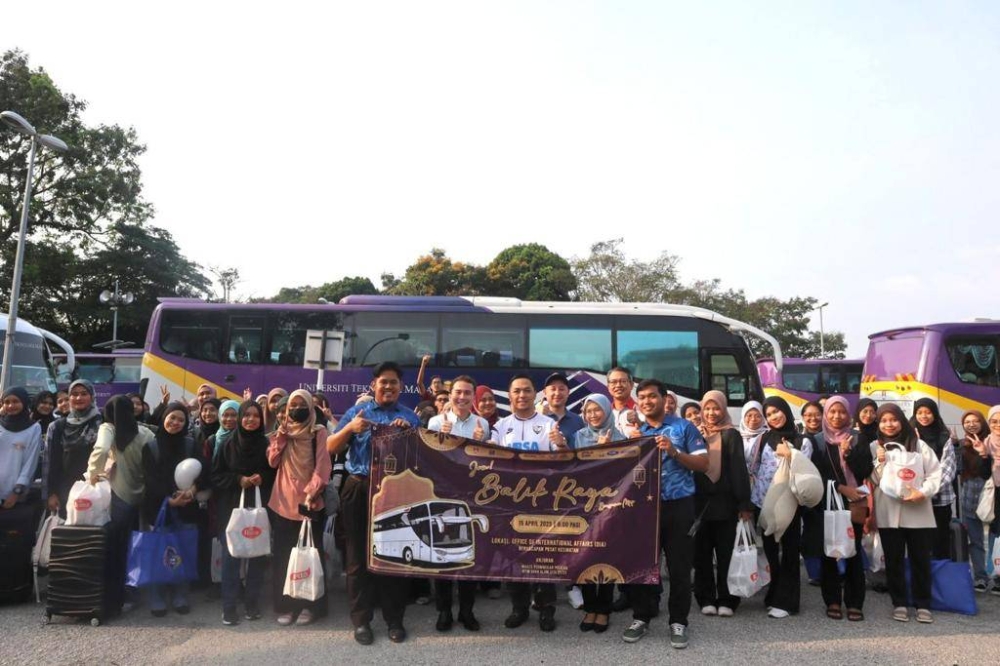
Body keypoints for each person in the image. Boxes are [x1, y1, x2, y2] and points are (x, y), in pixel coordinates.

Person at [328, 362, 420, 645]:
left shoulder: (409, 417)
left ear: (400, 387)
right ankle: (361, 621)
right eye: (383, 382)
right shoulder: (358, 413)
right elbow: (331, 446)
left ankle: (395, 620)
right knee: (356, 558)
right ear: (374, 385)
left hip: (395, 492)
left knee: (393, 557)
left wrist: (407, 435)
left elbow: (421, 457)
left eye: (394, 382)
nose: (388, 387)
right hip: (358, 487)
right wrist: (350, 430)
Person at [623, 379, 707, 648]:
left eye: (652, 396)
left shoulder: (684, 427)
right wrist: (630, 448)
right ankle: (641, 617)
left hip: (679, 506)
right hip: (644, 508)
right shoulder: (637, 431)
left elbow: (703, 463)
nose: (647, 401)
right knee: (642, 565)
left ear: (664, 398)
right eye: (643, 397)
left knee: (679, 567)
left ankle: (678, 621)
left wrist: (674, 451)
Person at [491, 374, 564, 632]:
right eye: (517, 391)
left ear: (536, 395)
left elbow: (564, 462)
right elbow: (491, 462)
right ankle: (519, 608)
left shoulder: (549, 424)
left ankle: (546, 610)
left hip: (542, 501)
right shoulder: (500, 427)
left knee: (544, 556)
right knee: (513, 555)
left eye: (527, 391)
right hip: (509, 503)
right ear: (509, 396)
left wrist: (562, 445)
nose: (522, 395)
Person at [869, 403, 942, 623]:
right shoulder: (875, 446)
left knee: (921, 559)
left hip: (918, 511)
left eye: (893, 419)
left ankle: (923, 604)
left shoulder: (919, 445)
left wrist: (923, 492)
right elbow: (872, 480)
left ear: (901, 420)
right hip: (888, 512)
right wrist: (879, 462)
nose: (889, 424)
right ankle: (899, 602)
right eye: (883, 420)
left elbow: (935, 473)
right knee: (893, 559)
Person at [427, 375, 489, 632]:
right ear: (450, 394)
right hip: (442, 494)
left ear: (473, 396)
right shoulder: (435, 421)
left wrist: (481, 443)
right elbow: (429, 458)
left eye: (467, 393)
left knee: (468, 554)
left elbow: (489, 462)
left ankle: (467, 610)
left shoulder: (482, 423)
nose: (462, 397)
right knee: (442, 553)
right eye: (458, 392)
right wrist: (439, 440)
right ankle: (444, 611)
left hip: (472, 495)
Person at [266, 389, 331, 626]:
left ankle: (311, 606)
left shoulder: (318, 431)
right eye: (292, 405)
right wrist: (281, 436)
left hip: (309, 502)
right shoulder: (282, 432)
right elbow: (272, 461)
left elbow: (323, 466)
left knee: (310, 555)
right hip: (282, 502)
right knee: (284, 556)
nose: (296, 409)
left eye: (301, 404)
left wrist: (312, 492)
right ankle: (286, 606)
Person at [87, 395, 154, 613]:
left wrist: (92, 474)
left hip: (118, 495)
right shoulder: (145, 432)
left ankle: (115, 596)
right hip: (143, 494)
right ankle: (135, 589)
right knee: (138, 542)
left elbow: (101, 450)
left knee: (117, 546)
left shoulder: (109, 428)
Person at [212, 400, 276, 625]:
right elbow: (216, 475)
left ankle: (252, 603)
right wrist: (238, 479)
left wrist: (262, 477)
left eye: (255, 415)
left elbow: (274, 472)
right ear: (240, 418)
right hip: (231, 508)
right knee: (231, 558)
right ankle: (229, 607)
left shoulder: (265, 444)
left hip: (258, 507)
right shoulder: (228, 444)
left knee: (257, 557)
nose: (251, 419)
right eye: (246, 415)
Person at [748, 396, 813, 619]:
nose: (773, 417)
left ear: (785, 410)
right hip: (763, 503)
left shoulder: (802, 440)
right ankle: (773, 594)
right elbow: (753, 468)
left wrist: (791, 454)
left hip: (790, 504)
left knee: (790, 552)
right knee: (770, 551)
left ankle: (788, 602)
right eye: (769, 414)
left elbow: (805, 473)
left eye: (777, 411)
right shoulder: (763, 439)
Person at [141, 402, 207, 617]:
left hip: (187, 507)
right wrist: (169, 500)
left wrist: (193, 490)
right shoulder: (150, 447)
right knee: (160, 551)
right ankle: (157, 596)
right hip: (160, 508)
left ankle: (181, 594)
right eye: (172, 418)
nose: (175, 423)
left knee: (183, 551)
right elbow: (150, 480)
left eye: (181, 419)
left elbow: (204, 471)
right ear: (164, 419)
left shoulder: (190, 445)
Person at [693, 390, 752, 619]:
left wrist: (744, 504)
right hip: (699, 505)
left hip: (726, 505)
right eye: (707, 408)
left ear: (724, 409)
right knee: (702, 555)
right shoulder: (695, 433)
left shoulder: (731, 435)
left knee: (727, 554)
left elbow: (739, 470)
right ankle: (705, 598)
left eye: (716, 408)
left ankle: (728, 599)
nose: (711, 413)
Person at [812, 396, 871, 622]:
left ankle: (855, 602)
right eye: (832, 412)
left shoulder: (858, 438)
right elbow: (816, 474)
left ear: (849, 414)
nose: (837, 416)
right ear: (826, 414)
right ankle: (833, 600)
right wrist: (839, 487)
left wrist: (848, 454)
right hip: (828, 501)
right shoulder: (817, 440)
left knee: (854, 551)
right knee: (829, 552)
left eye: (842, 412)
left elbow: (864, 470)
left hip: (855, 502)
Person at [573, 394, 623, 633]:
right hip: (583, 507)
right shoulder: (579, 437)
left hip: (610, 508)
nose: (593, 415)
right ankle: (590, 608)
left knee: (605, 556)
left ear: (606, 410)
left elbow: (625, 473)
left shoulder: (619, 436)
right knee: (584, 557)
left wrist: (607, 450)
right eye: (588, 411)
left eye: (597, 410)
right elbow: (574, 469)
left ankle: (603, 610)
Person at [46, 380, 103, 517]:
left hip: (97, 490)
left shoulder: (103, 422)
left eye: (84, 393)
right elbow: (51, 463)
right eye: (74, 394)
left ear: (92, 397)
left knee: (94, 535)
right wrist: (51, 493)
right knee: (69, 534)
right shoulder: (58, 427)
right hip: (67, 491)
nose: (79, 398)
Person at [909, 399, 956, 559]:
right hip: (915, 499)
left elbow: (948, 470)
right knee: (919, 542)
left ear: (935, 414)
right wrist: (915, 443)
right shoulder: (908, 437)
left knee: (940, 541)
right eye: (919, 412)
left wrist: (925, 491)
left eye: (928, 412)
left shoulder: (944, 437)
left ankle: (940, 577)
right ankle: (921, 579)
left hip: (940, 499)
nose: (924, 416)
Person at [955, 410, 995, 592]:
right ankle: (980, 576)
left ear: (983, 423)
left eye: (975, 421)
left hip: (991, 495)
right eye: (967, 421)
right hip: (969, 496)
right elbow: (957, 471)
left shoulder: (992, 442)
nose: (971, 424)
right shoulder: (963, 444)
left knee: (996, 538)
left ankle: (996, 573)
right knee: (975, 540)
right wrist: (956, 446)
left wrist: (985, 453)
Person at [1, 387, 43, 509]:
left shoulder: (33, 428)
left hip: (14, 493)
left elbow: (31, 462)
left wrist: (17, 491)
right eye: (7, 402)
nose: (11, 405)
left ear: (24, 402)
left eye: (15, 401)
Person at [798, 400, 824, 586]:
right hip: (808, 492)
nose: (813, 418)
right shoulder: (799, 439)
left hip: (830, 489)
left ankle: (835, 570)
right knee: (810, 532)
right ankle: (814, 572)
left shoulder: (830, 437)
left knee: (830, 530)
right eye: (808, 415)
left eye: (816, 414)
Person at [982, 405, 1000, 594]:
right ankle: (994, 572)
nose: (997, 425)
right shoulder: (986, 443)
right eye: (994, 421)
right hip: (994, 493)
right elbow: (982, 471)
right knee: (995, 532)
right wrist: (983, 455)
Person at [543, 373, 585, 444]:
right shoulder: (537, 419)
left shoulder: (578, 421)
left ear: (568, 392)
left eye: (561, 389)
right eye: (553, 389)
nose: (557, 393)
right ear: (545, 392)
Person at [607, 367, 641, 437]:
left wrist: (641, 426)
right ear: (608, 387)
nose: (618, 385)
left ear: (631, 385)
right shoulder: (606, 413)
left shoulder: (642, 410)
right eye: (613, 382)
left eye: (623, 381)